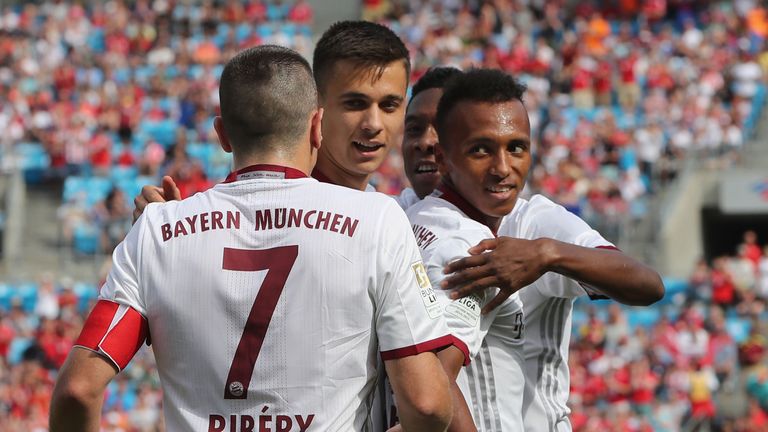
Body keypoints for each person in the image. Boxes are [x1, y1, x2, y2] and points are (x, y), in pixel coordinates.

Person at [50, 45, 455, 432]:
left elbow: (77, 390)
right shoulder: (377, 218)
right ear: (317, 127)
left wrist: (163, 236)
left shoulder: (156, 231)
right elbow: (426, 405)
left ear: (223, 135)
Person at [438, 96, 665, 432]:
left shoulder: (537, 222)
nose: (502, 166)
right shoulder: (411, 217)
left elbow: (647, 285)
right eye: (415, 129)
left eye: (516, 148)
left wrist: (547, 255)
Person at [134, 20, 412, 219]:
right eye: (355, 104)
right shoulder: (253, 209)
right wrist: (166, 239)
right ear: (316, 109)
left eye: (389, 105)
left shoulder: (393, 213)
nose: (373, 123)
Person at [406, 69, 530, 430]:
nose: (503, 168)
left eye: (516, 147)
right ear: (443, 159)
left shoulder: (414, 218)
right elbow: (431, 391)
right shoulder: (466, 244)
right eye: (481, 150)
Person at [397, 66, 462, 208]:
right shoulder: (387, 217)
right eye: (414, 129)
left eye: (442, 128)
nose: (425, 142)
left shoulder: (518, 222)